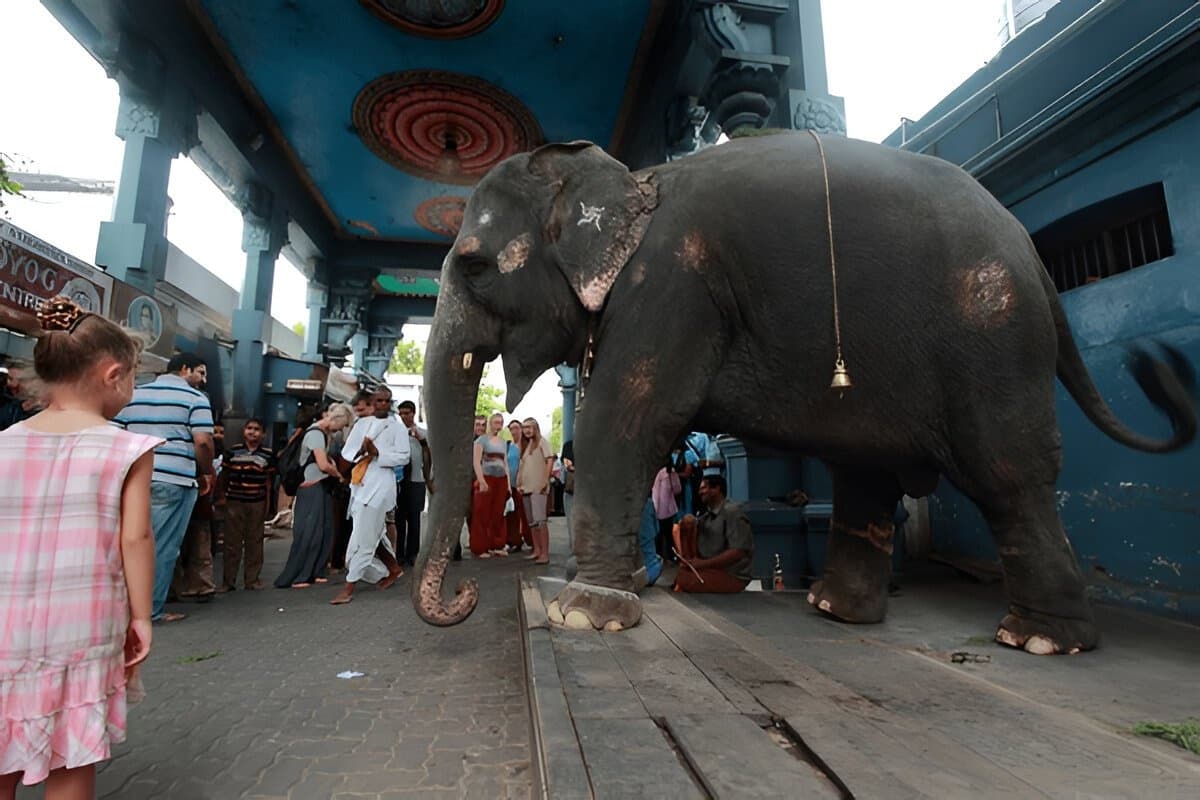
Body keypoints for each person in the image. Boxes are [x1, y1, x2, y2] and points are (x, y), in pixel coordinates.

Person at [0, 297, 157, 796]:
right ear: (114, 375)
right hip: (82, 629)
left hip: (3, 625)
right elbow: (135, 538)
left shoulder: (3, 443)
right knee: (71, 755)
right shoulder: (127, 448)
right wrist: (141, 616)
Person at [114, 352, 215, 623]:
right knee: (162, 547)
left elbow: (115, 433)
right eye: (200, 372)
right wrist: (205, 471)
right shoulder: (196, 399)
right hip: (174, 480)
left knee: (128, 541)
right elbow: (203, 442)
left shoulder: (134, 395)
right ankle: (149, 610)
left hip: (132, 479)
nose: (203, 380)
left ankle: (120, 607)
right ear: (185, 369)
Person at [330, 387, 409, 605]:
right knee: (372, 534)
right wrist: (361, 453)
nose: (383, 404)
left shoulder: (397, 428)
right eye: (379, 401)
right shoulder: (362, 424)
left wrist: (378, 453)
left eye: (386, 401)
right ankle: (392, 569)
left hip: (381, 487)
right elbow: (347, 454)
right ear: (372, 402)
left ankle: (348, 588)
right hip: (360, 486)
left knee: (364, 541)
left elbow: (404, 457)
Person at [276, 403, 352, 588]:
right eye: (341, 426)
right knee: (310, 532)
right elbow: (323, 464)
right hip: (312, 486)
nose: (339, 431)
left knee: (322, 530)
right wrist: (338, 474)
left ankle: (314, 571)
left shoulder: (320, 433)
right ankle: (301, 575)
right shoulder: (316, 434)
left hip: (319, 485)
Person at [216, 418, 275, 592]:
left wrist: (268, 506)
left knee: (255, 542)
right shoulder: (232, 452)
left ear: (263, 434)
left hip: (257, 502)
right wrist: (222, 497)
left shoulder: (268, 455)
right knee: (231, 542)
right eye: (249, 428)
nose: (252, 432)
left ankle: (252, 580)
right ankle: (228, 581)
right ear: (244, 431)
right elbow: (224, 476)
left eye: (257, 429)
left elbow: (269, 482)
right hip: (234, 501)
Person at [672, 475, 754, 593]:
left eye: (703, 488)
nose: (700, 492)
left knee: (685, 579)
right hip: (710, 569)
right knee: (687, 521)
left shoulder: (733, 513)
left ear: (716, 489)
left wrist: (703, 564)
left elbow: (738, 552)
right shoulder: (707, 516)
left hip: (732, 574)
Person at [396, 400, 432, 567]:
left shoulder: (423, 433)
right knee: (399, 519)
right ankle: (399, 554)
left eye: (407, 413)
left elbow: (430, 454)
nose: (404, 417)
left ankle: (413, 553)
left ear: (413, 413)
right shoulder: (396, 433)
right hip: (400, 480)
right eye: (401, 413)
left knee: (414, 519)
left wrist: (421, 440)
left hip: (417, 479)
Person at [470, 412, 510, 558]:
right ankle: (480, 547)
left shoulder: (503, 442)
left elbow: (505, 463)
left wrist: (508, 484)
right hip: (487, 477)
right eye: (496, 422)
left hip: (501, 479)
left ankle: (497, 544)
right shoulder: (482, 440)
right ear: (491, 423)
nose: (498, 425)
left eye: (501, 422)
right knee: (482, 513)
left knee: (498, 512)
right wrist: (481, 480)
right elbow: (476, 461)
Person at [516, 417, 555, 564]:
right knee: (531, 522)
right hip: (526, 488)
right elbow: (523, 466)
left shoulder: (542, 442)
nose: (526, 430)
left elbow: (549, 460)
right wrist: (519, 482)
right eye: (524, 427)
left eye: (529, 427)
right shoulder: (527, 446)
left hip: (538, 487)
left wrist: (545, 480)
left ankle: (545, 553)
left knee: (540, 521)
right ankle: (537, 550)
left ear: (535, 428)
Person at [504, 419, 531, 553]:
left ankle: (531, 539)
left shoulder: (528, 445)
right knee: (512, 514)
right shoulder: (508, 446)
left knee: (526, 514)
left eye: (517, 428)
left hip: (525, 484)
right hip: (512, 484)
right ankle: (514, 540)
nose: (514, 431)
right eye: (511, 428)